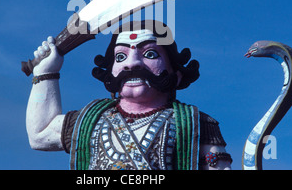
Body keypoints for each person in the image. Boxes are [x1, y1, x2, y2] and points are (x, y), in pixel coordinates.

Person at [26, 20, 232, 170]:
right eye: (121, 56)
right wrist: (45, 73)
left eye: (150, 54)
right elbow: (40, 134)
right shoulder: (88, 121)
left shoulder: (197, 124)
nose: (132, 63)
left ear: (176, 74)